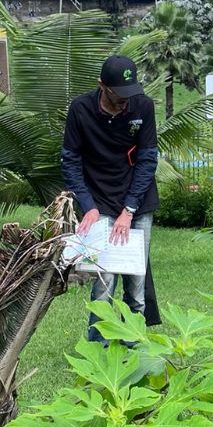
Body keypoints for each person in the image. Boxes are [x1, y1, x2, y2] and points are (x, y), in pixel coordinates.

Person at [61, 54, 160, 341]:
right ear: (102, 86)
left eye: (130, 94)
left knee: (136, 287)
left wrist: (129, 209)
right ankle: (98, 351)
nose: (125, 102)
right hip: (99, 201)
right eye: (119, 95)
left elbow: (147, 158)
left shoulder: (143, 106)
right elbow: (70, 160)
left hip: (137, 203)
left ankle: (136, 348)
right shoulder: (80, 109)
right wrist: (88, 206)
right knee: (104, 284)